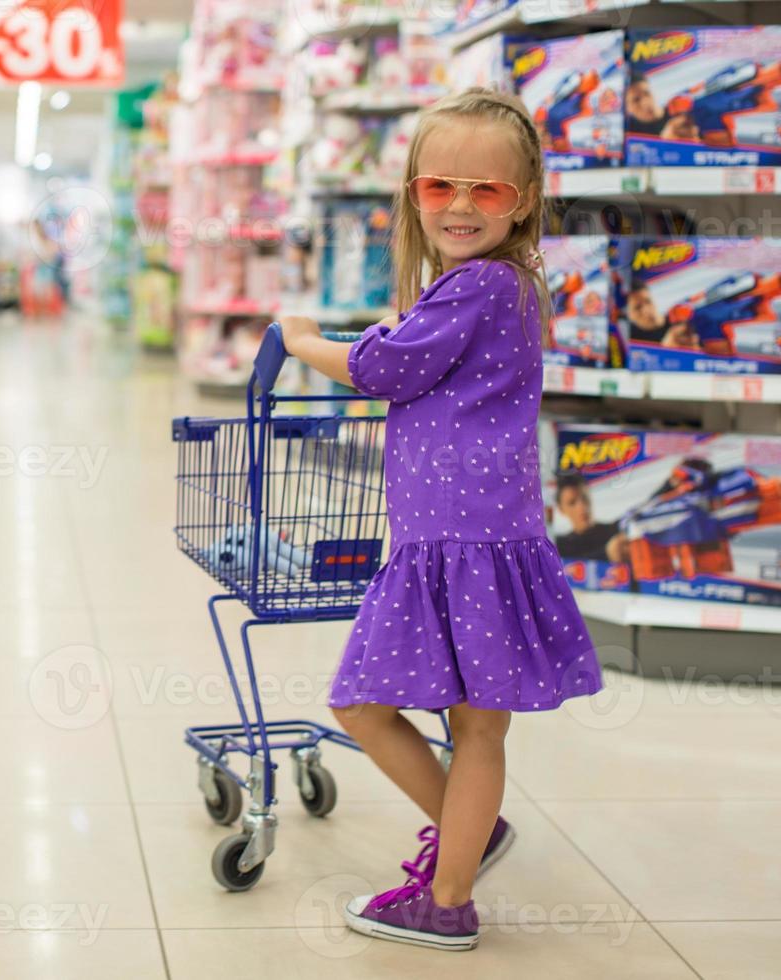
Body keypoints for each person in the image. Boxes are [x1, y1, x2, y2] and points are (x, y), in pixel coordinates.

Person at [279, 88, 602, 952]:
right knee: (467, 722)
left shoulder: (481, 285)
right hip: (473, 534)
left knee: (380, 707)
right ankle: (471, 831)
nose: (460, 206)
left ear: (524, 199)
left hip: (457, 540)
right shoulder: (501, 286)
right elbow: (424, 350)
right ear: (413, 193)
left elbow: (385, 368)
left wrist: (305, 340)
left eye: (486, 192)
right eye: (440, 187)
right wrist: (400, 325)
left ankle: (449, 899)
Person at [553, 473, 628, 562]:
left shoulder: (617, 530)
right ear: (561, 509)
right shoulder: (559, 547)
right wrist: (607, 554)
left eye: (584, 498)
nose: (582, 507)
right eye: (572, 503)